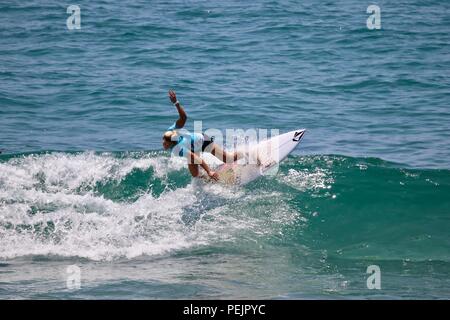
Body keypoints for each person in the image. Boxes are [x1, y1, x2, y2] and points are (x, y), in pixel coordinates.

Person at [162, 90, 241, 181]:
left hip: (203, 141)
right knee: (196, 175)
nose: (163, 144)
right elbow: (183, 118)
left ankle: (248, 153)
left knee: (228, 159)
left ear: (172, 143)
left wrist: (209, 171)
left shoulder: (178, 149)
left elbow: (196, 158)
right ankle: (215, 178)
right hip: (192, 149)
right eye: (163, 141)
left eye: (166, 143)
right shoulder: (170, 131)